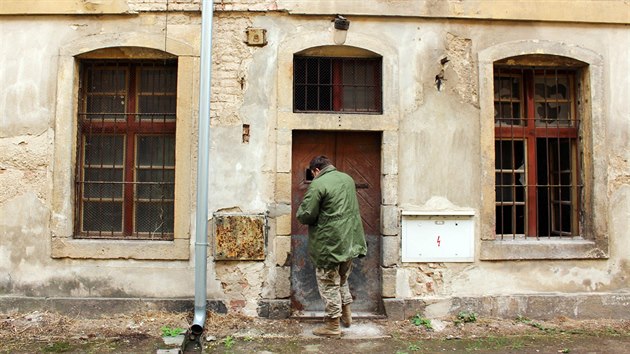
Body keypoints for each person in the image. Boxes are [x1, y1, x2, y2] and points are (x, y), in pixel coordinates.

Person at [296, 155, 367, 337]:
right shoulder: (348, 179)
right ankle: (347, 316)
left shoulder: (318, 184)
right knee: (342, 279)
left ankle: (332, 325)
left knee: (328, 283)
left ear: (316, 171)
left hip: (330, 243)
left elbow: (307, 214)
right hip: (350, 241)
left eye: (313, 174)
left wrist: (302, 214)